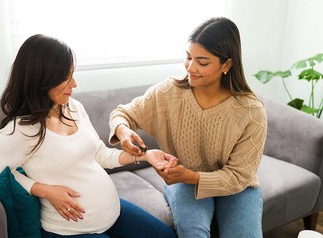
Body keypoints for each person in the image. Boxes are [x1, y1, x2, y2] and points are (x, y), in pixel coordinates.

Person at [0, 34, 177, 238]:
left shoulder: (73, 108)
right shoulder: (22, 129)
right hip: (70, 230)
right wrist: (45, 190)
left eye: (73, 74)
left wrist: (144, 155)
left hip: (113, 213)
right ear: (42, 79)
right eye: (66, 77)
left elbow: (100, 154)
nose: (74, 84)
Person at [109, 17, 267, 237]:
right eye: (188, 57)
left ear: (227, 65)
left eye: (202, 62)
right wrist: (123, 130)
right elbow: (122, 114)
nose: (191, 68)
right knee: (193, 232)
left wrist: (193, 177)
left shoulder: (250, 111)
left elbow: (239, 176)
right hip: (183, 182)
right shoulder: (169, 93)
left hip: (235, 187)